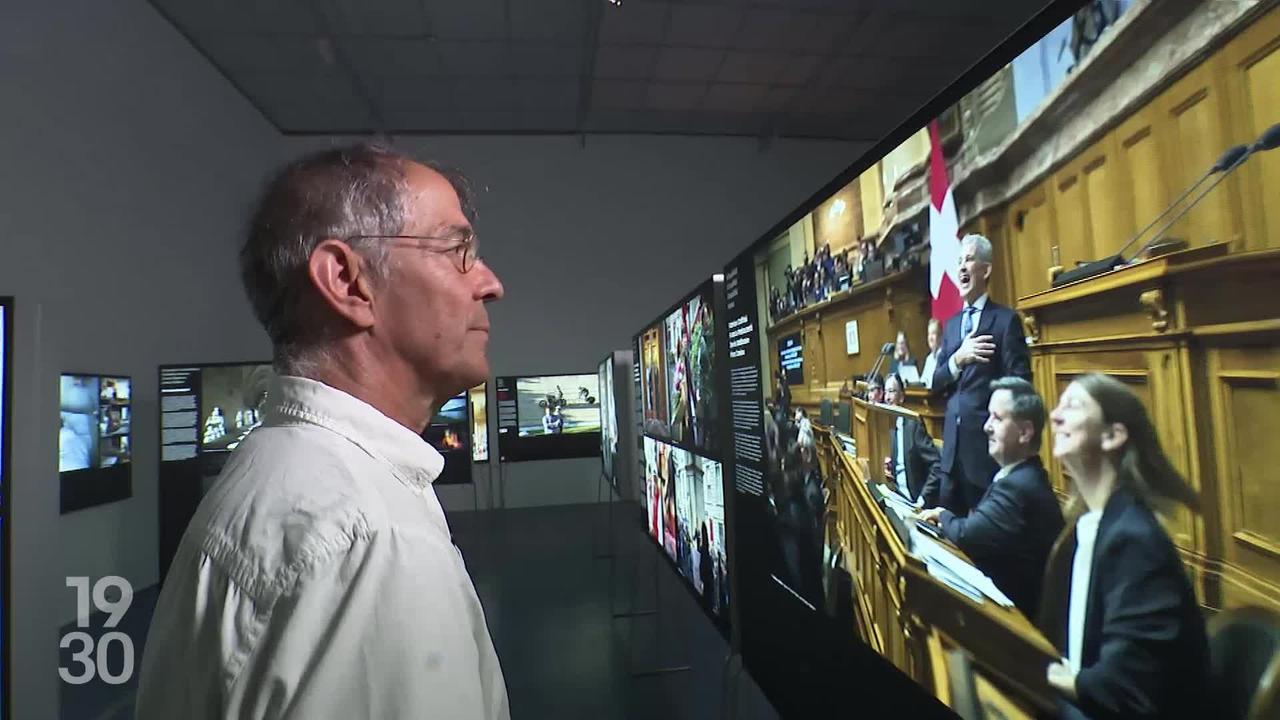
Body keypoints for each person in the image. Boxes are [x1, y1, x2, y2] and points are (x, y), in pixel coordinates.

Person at [136, 145, 510, 719]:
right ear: (347, 282)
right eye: (456, 250)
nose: (489, 284)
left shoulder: (277, 469)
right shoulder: (372, 542)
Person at [1038, 374, 1207, 720]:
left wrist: (1036, 673)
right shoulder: (1087, 525)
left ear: (1113, 434)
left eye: (1072, 406)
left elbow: (1119, 688)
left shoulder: (1134, 540)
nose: (1054, 416)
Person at [918, 377, 1063, 618]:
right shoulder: (1020, 476)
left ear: (1025, 432)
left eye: (997, 418)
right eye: (988, 416)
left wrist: (943, 515)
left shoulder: (1019, 486)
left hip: (1016, 628)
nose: (986, 426)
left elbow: (968, 536)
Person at [931, 234, 1031, 515]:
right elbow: (935, 383)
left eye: (969, 259)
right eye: (959, 261)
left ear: (985, 270)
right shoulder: (950, 326)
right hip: (951, 457)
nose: (961, 267)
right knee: (950, 533)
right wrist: (957, 359)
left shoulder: (1005, 320)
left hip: (986, 453)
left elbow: (1021, 384)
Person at [881, 374, 943, 507]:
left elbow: (937, 466)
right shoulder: (889, 424)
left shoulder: (913, 426)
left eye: (891, 392)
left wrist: (922, 499)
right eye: (885, 392)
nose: (887, 398)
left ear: (902, 397)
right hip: (897, 498)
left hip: (915, 502)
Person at [920, 317, 943, 390]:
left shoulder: (945, 356)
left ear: (940, 336)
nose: (930, 338)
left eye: (933, 333)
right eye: (929, 334)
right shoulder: (929, 358)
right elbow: (923, 381)